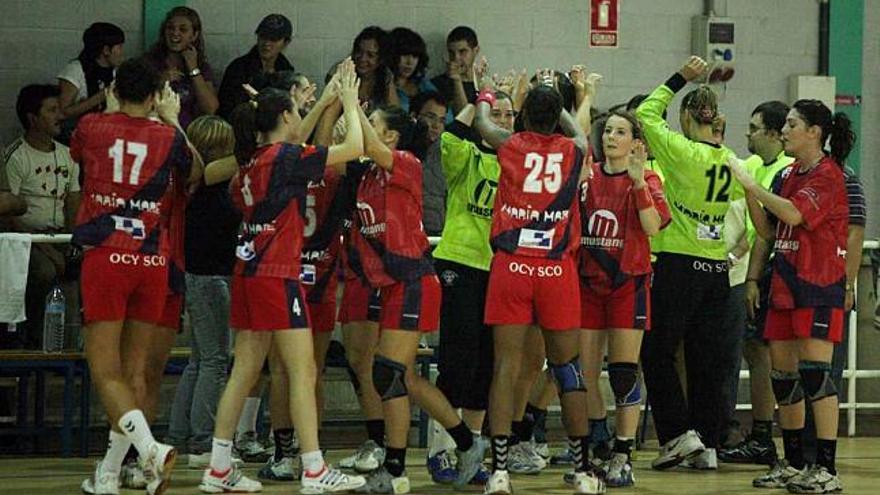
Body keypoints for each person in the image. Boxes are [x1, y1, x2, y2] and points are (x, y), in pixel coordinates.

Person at [198, 60, 365, 494]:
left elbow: (289, 148)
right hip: (277, 275)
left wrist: (325, 99)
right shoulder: (287, 158)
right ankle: (313, 468)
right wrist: (347, 103)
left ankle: (218, 467)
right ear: (286, 117)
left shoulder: (252, 162)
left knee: (245, 371)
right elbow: (354, 150)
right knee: (302, 369)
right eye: (295, 111)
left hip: (247, 273)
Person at [345, 102, 490, 494]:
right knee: (401, 376)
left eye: (372, 123)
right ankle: (467, 443)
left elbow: (369, 145)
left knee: (388, 373)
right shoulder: (368, 176)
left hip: (414, 281)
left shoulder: (405, 163)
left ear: (389, 136)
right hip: (390, 284)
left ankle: (394, 472)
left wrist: (348, 101)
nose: (364, 127)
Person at [73, 57, 201, 495]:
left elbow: (83, 153)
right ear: (153, 95)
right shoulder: (167, 136)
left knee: (105, 373)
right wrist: (169, 118)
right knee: (133, 375)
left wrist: (111, 109)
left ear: (114, 89)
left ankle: (148, 448)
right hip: (152, 262)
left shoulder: (92, 126)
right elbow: (195, 171)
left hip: (107, 257)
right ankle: (109, 474)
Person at [474, 73, 604, 494]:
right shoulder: (576, 148)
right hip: (556, 270)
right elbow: (575, 129)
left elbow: (482, 122)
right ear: (558, 118)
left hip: (512, 267)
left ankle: (499, 472)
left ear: (524, 116)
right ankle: (584, 472)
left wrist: (489, 93)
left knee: (506, 368)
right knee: (568, 371)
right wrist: (558, 95)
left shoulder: (509, 144)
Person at [728, 98, 853, 494]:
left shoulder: (829, 175)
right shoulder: (787, 175)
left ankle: (827, 470)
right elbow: (767, 230)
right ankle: (795, 463)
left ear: (814, 132)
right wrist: (749, 191)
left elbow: (796, 216)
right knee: (783, 378)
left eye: (792, 125)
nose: (784, 131)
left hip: (817, 286)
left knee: (816, 377)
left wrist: (753, 186)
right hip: (784, 285)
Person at [635, 56, 739, 470]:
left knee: (657, 352)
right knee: (705, 360)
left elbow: (644, 112)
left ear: (685, 116)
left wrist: (679, 76)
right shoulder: (732, 159)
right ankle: (708, 445)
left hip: (679, 263)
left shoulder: (680, 151)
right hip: (718, 269)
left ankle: (677, 435)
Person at [578, 110, 670, 486]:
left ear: (636, 142)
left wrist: (637, 184)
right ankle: (598, 439)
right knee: (582, 374)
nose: (611, 137)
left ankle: (623, 452)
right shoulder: (589, 176)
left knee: (621, 374)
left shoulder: (646, 178)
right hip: (587, 283)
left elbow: (652, 227)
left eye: (621, 132)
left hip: (626, 285)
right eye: (608, 131)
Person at [426, 91, 514, 484]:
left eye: (510, 114)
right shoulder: (466, 155)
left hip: (501, 269)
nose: (504, 120)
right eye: (496, 114)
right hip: (460, 262)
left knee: (485, 366)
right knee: (457, 362)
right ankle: (442, 449)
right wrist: (481, 99)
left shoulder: (518, 162)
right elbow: (452, 134)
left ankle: (472, 452)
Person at [719, 101, 794, 466]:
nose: (746, 133)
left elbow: (770, 227)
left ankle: (770, 433)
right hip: (753, 273)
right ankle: (763, 432)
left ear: (773, 134)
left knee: (770, 355)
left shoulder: (788, 171)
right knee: (755, 351)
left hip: (778, 272)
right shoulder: (751, 166)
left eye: (753, 127)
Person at [166, 116, 240, 469]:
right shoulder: (208, 184)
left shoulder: (196, 186)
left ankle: (179, 436)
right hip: (210, 278)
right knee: (213, 362)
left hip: (200, 277)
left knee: (199, 360)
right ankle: (202, 441)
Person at [1, 84, 81, 349]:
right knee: (44, 271)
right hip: (27, 239)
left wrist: (72, 245)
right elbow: (9, 214)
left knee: (80, 269)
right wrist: (48, 250)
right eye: (52, 110)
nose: (61, 115)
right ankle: (31, 344)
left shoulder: (68, 154)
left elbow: (73, 200)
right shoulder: (15, 157)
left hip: (61, 235)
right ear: (32, 118)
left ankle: (68, 350)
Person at [145, 6, 218, 129]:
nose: (175, 33)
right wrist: (160, 81)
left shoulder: (202, 68)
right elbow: (134, 103)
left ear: (194, 35)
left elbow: (211, 108)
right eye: (170, 28)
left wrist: (193, 69)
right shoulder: (149, 62)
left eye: (183, 29)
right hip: (155, 132)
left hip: (189, 135)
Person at [217, 14, 295, 120]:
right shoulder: (238, 69)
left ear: (286, 42)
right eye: (263, 36)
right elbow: (226, 109)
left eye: (273, 39)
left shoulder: (287, 72)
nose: (267, 43)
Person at [57, 22, 126, 142]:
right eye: (119, 47)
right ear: (106, 50)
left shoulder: (116, 72)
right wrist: (100, 97)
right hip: (76, 139)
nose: (122, 52)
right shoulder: (75, 70)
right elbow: (62, 112)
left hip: (106, 137)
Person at [410, 91, 449, 236]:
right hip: (404, 235)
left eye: (442, 120)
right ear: (414, 116)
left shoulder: (449, 153)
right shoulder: (399, 148)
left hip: (437, 237)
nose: (436, 125)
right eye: (431, 117)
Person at [431, 26, 480, 115]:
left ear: (476, 51)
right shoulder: (437, 85)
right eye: (451, 52)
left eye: (462, 52)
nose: (456, 58)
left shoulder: (482, 85)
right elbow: (462, 119)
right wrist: (456, 80)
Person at [388, 27, 437, 112]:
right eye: (404, 55)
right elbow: (394, 116)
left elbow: (447, 116)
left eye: (415, 56)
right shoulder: (381, 85)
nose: (410, 62)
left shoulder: (423, 84)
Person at [351, 26, 399, 110]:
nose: (362, 59)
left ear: (381, 59)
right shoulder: (342, 71)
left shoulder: (385, 75)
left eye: (370, 55)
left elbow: (394, 113)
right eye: (359, 52)